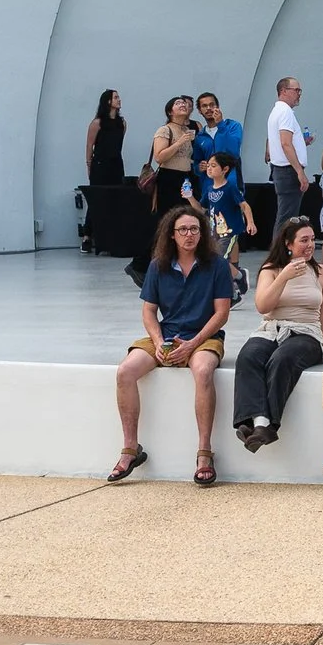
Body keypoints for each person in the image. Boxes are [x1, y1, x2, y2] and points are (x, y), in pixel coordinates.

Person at [108, 205, 231, 486]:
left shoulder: (217, 265)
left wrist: (193, 344)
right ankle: (130, 449)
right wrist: (158, 341)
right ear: (172, 235)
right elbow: (149, 311)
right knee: (125, 372)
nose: (189, 235)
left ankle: (204, 453)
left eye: (195, 229)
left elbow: (221, 314)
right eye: (183, 230)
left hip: (204, 337)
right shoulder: (158, 265)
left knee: (202, 372)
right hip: (165, 334)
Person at [233, 214, 323, 452]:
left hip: (306, 333)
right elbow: (263, 307)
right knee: (249, 356)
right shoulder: (271, 270)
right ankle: (260, 423)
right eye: (303, 240)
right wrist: (285, 276)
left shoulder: (322, 272)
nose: (309, 245)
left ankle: (267, 424)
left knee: (282, 359)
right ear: (288, 244)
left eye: (312, 240)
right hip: (272, 328)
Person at [129, 95, 199, 285]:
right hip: (169, 179)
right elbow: (160, 157)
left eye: (184, 103)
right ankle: (141, 264)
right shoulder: (165, 130)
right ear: (170, 111)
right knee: (166, 224)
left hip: (185, 178)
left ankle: (171, 264)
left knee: (183, 221)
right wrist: (179, 142)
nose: (182, 105)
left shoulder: (188, 129)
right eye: (177, 104)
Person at [266, 77, 315, 230]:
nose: (299, 94)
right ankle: (279, 253)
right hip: (288, 170)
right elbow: (285, 143)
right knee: (287, 219)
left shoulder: (277, 111)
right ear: (283, 91)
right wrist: (299, 171)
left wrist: (301, 143)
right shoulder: (285, 112)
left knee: (286, 216)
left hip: (282, 170)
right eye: (296, 90)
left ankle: (281, 251)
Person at [197, 151, 253, 272]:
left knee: (219, 259)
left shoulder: (230, 188)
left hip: (229, 231)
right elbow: (200, 209)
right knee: (217, 259)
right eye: (208, 166)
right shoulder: (209, 189)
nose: (209, 169)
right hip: (214, 232)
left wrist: (250, 222)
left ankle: (234, 278)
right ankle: (238, 276)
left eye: (213, 166)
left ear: (225, 169)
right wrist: (189, 197)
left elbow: (244, 205)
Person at [85, 89, 129, 186]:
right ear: (108, 101)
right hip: (100, 164)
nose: (119, 100)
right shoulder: (97, 123)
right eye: (115, 97)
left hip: (116, 164)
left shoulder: (122, 123)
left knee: (116, 195)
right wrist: (89, 165)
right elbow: (89, 145)